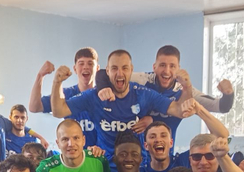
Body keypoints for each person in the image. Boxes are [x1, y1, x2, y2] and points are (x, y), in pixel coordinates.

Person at [50, 49, 195, 168]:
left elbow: (179, 110)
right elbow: (59, 111)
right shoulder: (95, 96)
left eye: (125, 68)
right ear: (107, 71)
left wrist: (186, 86)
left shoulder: (143, 94)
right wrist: (57, 82)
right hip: (105, 167)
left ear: (131, 70)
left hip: (138, 168)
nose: (120, 74)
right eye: (114, 68)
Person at [96, 45, 235, 143]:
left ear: (178, 69)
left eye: (172, 66)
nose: (167, 71)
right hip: (138, 152)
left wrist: (228, 94)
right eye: (162, 65)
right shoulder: (142, 80)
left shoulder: (186, 89)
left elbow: (221, 107)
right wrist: (103, 88)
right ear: (154, 67)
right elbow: (104, 73)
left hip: (164, 154)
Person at [29, 47, 99, 147]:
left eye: (90, 63)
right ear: (75, 69)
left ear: (97, 68)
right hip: (72, 152)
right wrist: (40, 76)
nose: (85, 67)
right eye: (81, 63)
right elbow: (34, 107)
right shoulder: (64, 94)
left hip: (98, 153)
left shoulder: (103, 94)